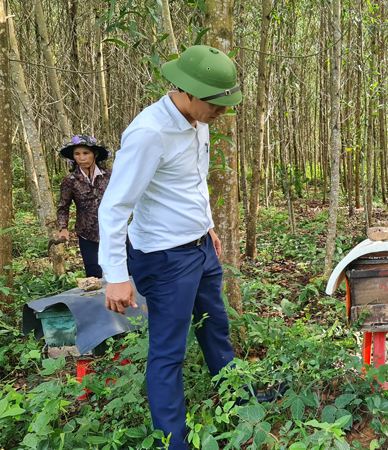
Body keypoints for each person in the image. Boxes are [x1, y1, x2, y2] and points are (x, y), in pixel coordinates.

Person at [98, 45, 268, 449]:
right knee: (168, 351)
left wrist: (207, 227)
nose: (221, 113)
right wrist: (116, 276)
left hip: (200, 249)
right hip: (164, 257)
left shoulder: (198, 119)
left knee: (216, 329)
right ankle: (172, 441)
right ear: (188, 91)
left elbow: (192, 182)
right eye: (216, 104)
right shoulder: (149, 133)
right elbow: (114, 207)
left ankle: (241, 403)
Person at [56, 135, 112, 279]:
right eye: (77, 154)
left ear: (95, 154)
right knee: (93, 275)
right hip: (87, 233)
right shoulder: (70, 181)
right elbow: (63, 206)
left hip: (113, 229)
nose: (81, 158)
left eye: (86, 153)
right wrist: (63, 228)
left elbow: (125, 198)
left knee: (126, 270)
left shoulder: (110, 176)